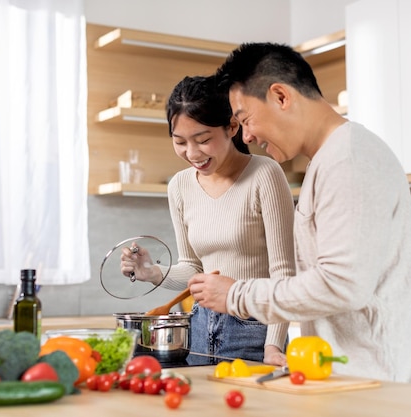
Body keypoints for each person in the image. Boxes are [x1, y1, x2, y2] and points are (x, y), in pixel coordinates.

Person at [188, 43, 411, 387]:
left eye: (245, 119)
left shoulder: (349, 159)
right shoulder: (328, 160)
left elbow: (341, 285)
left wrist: (237, 295)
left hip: (384, 393)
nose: (247, 136)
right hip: (354, 384)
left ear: (281, 96)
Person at [121, 75, 296, 365]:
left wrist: (273, 345)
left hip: (254, 330)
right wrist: (151, 271)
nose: (192, 153)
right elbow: (193, 269)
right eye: (180, 142)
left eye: (203, 140)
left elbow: (284, 272)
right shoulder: (179, 186)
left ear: (232, 126)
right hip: (200, 327)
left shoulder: (265, 174)